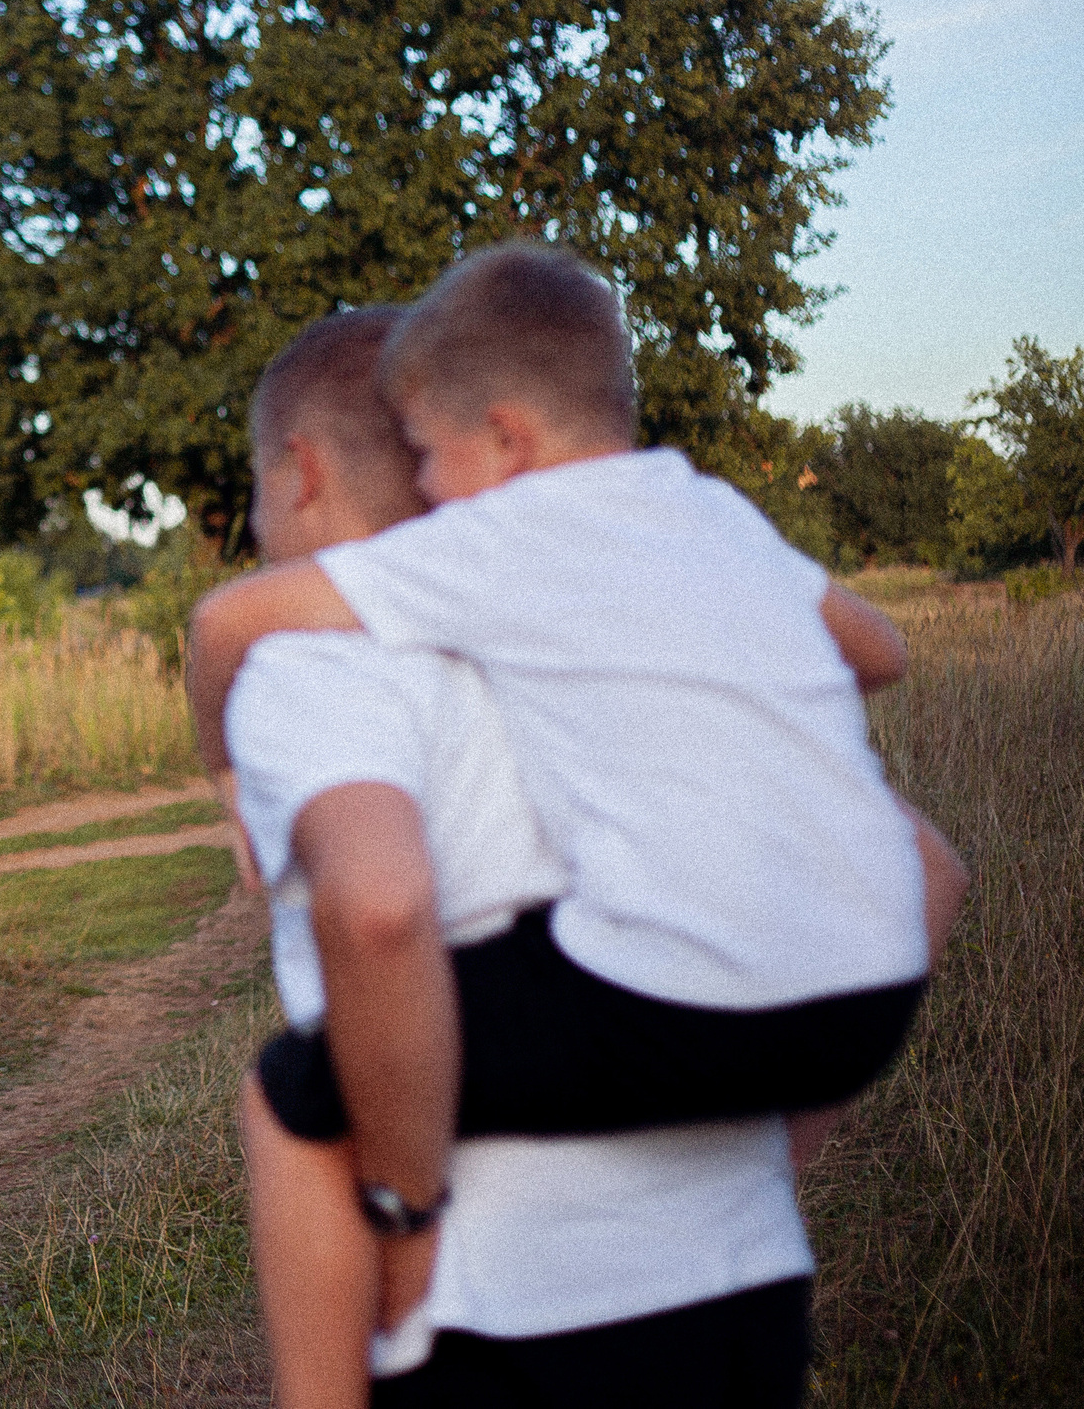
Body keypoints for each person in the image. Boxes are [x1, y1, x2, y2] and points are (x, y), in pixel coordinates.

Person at [221, 306, 965, 1406]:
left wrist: (402, 1209)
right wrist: (778, 1137)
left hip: (487, 1318)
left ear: (299, 471)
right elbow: (922, 863)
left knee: (288, 1095)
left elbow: (378, 902)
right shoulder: (622, 633)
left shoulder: (314, 670)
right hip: (741, 1289)